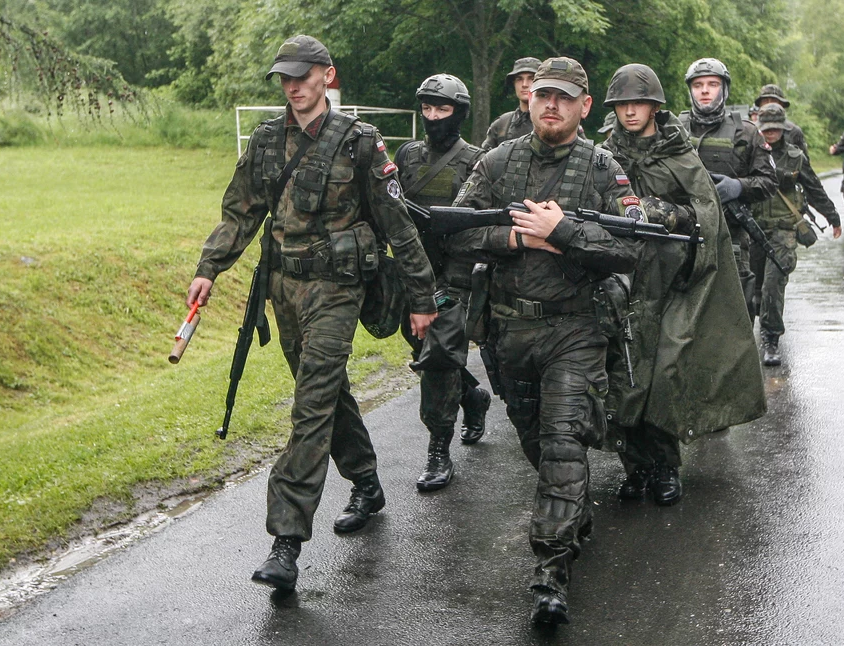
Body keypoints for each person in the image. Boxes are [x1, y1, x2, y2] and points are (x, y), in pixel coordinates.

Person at [186, 34, 437, 592]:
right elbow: (241, 212)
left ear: (328, 75)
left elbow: (398, 226)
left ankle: (286, 542)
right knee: (323, 391)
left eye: (303, 75)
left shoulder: (361, 143)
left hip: (338, 288)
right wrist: (210, 267)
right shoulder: (269, 139)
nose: (293, 86)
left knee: (311, 404)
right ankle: (368, 481)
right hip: (284, 286)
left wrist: (423, 299)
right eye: (285, 77)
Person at [448, 57, 643, 625]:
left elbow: (631, 246)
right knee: (536, 442)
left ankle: (550, 575)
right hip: (509, 333)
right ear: (528, 101)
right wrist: (514, 236)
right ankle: (570, 508)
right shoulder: (497, 162)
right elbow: (455, 230)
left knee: (562, 442)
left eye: (563, 96)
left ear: (584, 107)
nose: (550, 103)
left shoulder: (605, 169)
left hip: (575, 330)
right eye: (542, 95)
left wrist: (564, 232)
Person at [600, 63, 766, 506]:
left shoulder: (679, 154)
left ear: (655, 106)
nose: (630, 112)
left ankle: (665, 466)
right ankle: (635, 466)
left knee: (663, 372)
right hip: (620, 279)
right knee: (622, 371)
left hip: (675, 280)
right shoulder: (603, 155)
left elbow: (706, 217)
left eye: (638, 103)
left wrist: (662, 213)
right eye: (621, 105)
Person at [393, 74, 491, 491]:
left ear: (458, 114)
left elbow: (485, 217)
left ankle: (438, 450)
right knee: (418, 340)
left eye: (442, 109)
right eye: (427, 109)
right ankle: (472, 396)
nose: (433, 117)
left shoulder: (477, 160)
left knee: (439, 355)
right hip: (415, 270)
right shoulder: (407, 155)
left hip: (456, 269)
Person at [679, 58, 777, 316]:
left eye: (712, 84)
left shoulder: (747, 133)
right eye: (698, 85)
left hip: (731, 237)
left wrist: (739, 186)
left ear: (724, 89)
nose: (705, 90)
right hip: (682, 237)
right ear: (690, 90)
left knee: (737, 315)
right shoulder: (674, 130)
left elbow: (769, 182)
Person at [753, 104, 842, 365]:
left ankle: (771, 339)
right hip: (753, 228)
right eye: (766, 129)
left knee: (772, 285)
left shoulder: (795, 157)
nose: (770, 134)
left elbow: (814, 188)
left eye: (775, 129)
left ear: (783, 129)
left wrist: (833, 217)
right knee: (753, 287)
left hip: (783, 230)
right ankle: (750, 334)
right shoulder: (750, 154)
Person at [481, 57, 540, 151]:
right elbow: (485, 161)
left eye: (531, 79)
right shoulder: (501, 124)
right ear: (514, 83)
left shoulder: (551, 121)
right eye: (519, 79)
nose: (524, 84)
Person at [754, 84, 809, 159]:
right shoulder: (751, 130)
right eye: (765, 101)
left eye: (774, 101)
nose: (770, 104)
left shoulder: (793, 131)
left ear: (782, 104)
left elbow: (803, 163)